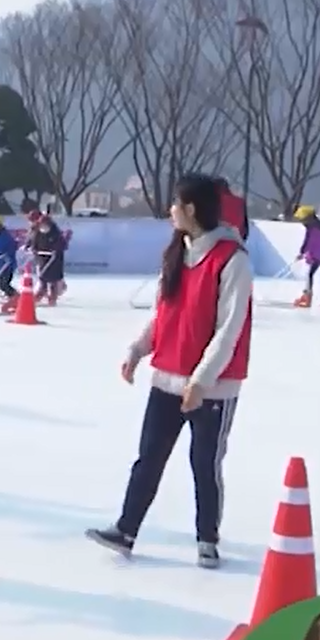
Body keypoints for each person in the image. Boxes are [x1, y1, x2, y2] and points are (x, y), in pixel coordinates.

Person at [88, 173, 254, 569]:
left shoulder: (232, 259)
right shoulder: (177, 253)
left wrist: (201, 381)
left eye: (176, 204)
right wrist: (137, 350)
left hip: (213, 387)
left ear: (192, 209)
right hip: (167, 377)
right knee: (149, 457)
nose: (170, 211)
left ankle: (207, 539)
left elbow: (228, 330)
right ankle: (126, 529)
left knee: (205, 464)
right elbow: (162, 315)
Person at [29, 212, 68, 304]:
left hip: (55, 258)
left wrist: (56, 249)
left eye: (45, 225)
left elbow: (62, 244)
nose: (43, 227)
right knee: (42, 276)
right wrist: (34, 249)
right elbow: (34, 243)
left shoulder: (56, 233)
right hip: (42, 257)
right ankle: (41, 292)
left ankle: (53, 296)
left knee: (53, 278)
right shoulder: (37, 233)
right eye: (41, 225)